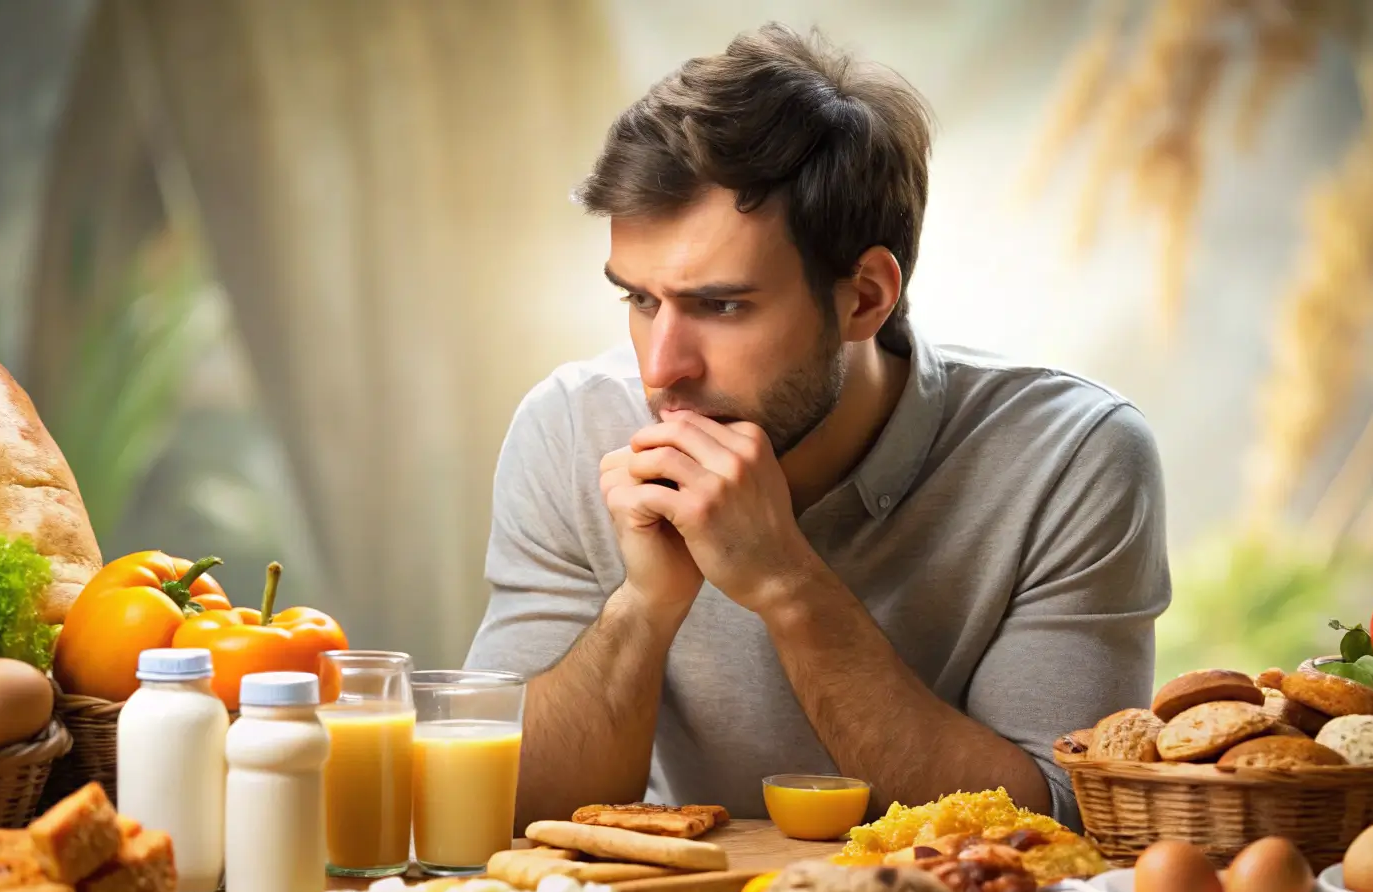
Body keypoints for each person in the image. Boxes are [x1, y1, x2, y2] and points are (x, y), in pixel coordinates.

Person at [466, 23, 1170, 830]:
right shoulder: (568, 427)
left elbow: (1062, 826)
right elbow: (498, 818)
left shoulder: (1070, 457)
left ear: (865, 296)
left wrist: (788, 587)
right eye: (640, 299)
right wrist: (645, 604)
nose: (661, 370)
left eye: (721, 305)